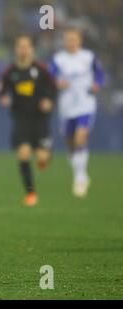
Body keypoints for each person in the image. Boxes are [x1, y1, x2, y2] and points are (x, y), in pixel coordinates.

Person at [0, 35, 56, 206]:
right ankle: (30, 193)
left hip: (39, 119)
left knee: (42, 156)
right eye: (20, 46)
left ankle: (44, 157)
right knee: (23, 154)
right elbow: (0, 88)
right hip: (20, 118)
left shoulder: (42, 70)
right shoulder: (10, 71)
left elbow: (52, 89)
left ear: (32, 49)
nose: (23, 50)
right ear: (16, 49)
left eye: (26, 46)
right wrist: (3, 97)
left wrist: (48, 100)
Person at [49, 28, 104, 198]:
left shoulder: (88, 57)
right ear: (64, 41)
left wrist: (97, 84)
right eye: (68, 39)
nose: (71, 42)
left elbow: (100, 74)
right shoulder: (59, 59)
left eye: (74, 39)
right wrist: (57, 83)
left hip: (85, 104)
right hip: (66, 107)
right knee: (70, 143)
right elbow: (49, 76)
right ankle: (81, 175)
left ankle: (79, 178)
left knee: (80, 138)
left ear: (80, 41)